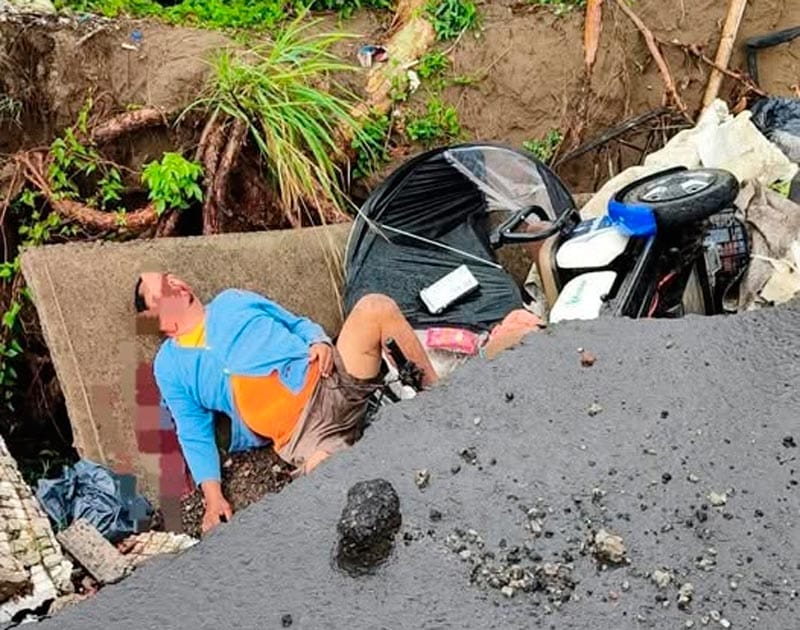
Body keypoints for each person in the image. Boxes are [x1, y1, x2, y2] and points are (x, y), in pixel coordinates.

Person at [134, 273, 438, 534]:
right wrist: (213, 498)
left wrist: (318, 340)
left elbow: (296, 324)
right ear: (159, 322)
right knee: (333, 478)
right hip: (302, 435)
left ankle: (443, 402)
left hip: (331, 380)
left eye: (169, 277)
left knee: (375, 307)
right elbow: (192, 430)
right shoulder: (170, 365)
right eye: (160, 291)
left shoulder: (233, 300)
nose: (172, 283)